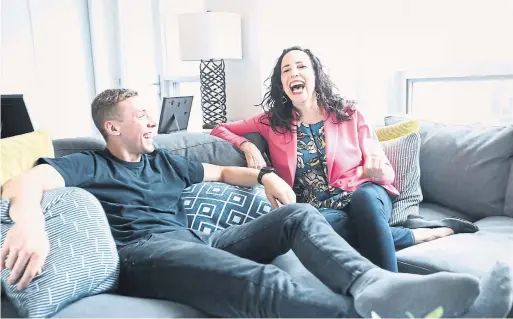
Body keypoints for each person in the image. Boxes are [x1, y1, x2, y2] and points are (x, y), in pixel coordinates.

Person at [1, 89, 511, 318]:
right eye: (141, 116)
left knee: (297, 215)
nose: (152, 121)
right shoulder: (90, 165)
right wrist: (29, 223)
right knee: (264, 283)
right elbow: (22, 182)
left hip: (196, 240)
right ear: (113, 127)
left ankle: (374, 283)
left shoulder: (163, 163)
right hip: (145, 255)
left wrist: (265, 174)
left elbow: (223, 171)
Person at [211, 46, 478, 272]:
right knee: (311, 227)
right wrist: (247, 145)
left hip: (365, 193)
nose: (294, 73)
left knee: (363, 202)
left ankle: (387, 291)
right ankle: (424, 233)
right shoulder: (272, 122)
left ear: (315, 75)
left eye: (301, 66)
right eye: (286, 70)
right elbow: (218, 129)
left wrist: (374, 170)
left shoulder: (348, 113)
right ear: (281, 84)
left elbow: (384, 171)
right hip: (322, 209)